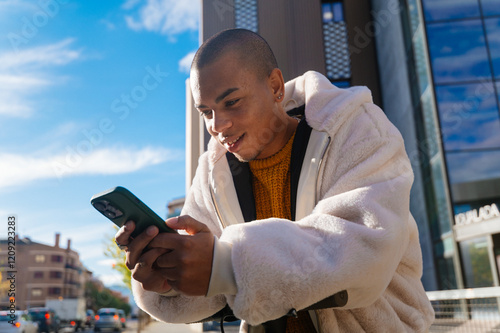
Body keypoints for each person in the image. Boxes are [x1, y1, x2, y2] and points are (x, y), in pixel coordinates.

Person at [115, 28, 435, 332]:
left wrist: (225, 263)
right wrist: (169, 282)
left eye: (231, 102)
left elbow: (364, 250)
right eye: (206, 112)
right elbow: (213, 284)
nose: (218, 126)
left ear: (275, 87)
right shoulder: (214, 170)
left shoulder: (357, 129)